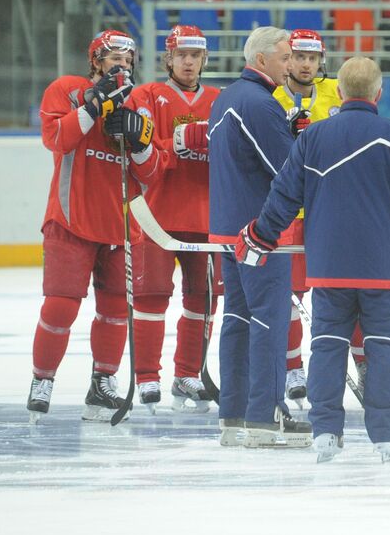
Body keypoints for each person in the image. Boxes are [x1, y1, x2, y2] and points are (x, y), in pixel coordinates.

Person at [242, 57, 390, 463]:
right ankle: (386, 435)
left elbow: (284, 196)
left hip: (330, 265)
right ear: (379, 93)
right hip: (385, 268)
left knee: (328, 346)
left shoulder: (313, 138)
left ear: (339, 92)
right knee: (386, 349)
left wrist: (261, 237)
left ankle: (325, 432)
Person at [28, 30, 161, 421]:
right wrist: (92, 108)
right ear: (96, 61)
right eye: (112, 56)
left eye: (127, 57)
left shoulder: (140, 103)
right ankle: (43, 378)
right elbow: (56, 138)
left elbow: (151, 175)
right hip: (71, 218)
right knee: (60, 307)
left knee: (117, 310)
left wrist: (143, 144)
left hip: (119, 226)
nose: (121, 63)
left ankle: (103, 382)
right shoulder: (68, 90)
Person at [208, 27, 305, 448]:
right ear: (262, 60)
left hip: (228, 230)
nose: (291, 65)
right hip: (261, 234)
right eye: (285, 57)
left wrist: (289, 133)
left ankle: (234, 415)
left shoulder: (226, 98)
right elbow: (288, 172)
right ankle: (265, 416)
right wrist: (301, 145)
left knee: (237, 320)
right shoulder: (260, 105)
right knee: (269, 321)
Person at [126, 24, 221, 412]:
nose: (188, 61)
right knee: (150, 298)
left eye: (195, 55)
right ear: (168, 57)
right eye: (181, 54)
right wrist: (174, 143)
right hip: (154, 215)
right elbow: (135, 156)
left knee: (204, 300)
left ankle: (188, 374)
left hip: (206, 216)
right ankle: (147, 376)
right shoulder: (145, 96)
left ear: (204, 59)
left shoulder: (220, 99)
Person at [272, 28, 343, 406]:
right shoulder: (271, 98)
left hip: (330, 212)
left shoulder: (338, 93)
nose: (305, 64)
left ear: (321, 61)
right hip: (290, 212)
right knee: (290, 298)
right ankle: (293, 367)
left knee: (338, 293)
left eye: (312, 58)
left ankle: (353, 364)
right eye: (299, 57)